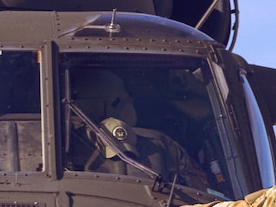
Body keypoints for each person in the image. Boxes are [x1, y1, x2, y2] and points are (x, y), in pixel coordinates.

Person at [65, 68, 210, 191]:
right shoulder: (159, 143)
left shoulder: (55, 144)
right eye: (124, 97)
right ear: (106, 105)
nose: (131, 101)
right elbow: (201, 189)